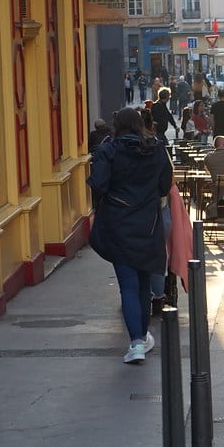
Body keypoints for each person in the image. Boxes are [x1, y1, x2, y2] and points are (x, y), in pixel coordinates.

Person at [87, 107, 173, 364]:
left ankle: (136, 342)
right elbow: (163, 185)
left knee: (128, 285)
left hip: (118, 222)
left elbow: (99, 185)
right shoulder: (156, 149)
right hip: (147, 222)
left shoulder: (108, 151)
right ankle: (142, 337)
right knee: (144, 284)